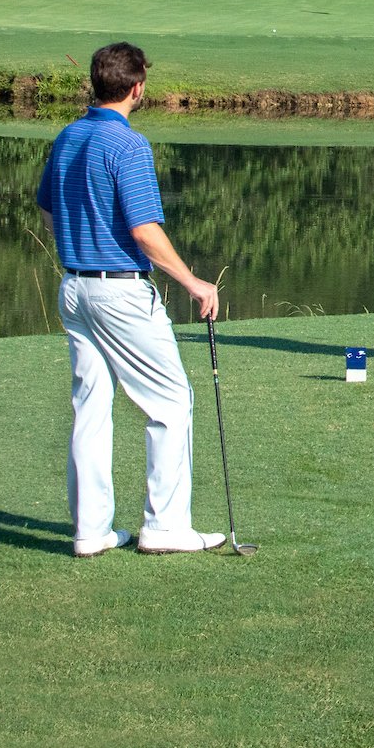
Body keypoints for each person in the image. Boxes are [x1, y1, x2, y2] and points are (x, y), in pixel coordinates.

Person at [37, 42, 227, 557]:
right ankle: (165, 527)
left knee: (91, 407)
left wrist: (79, 243)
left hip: (74, 288)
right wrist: (193, 283)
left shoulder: (68, 136)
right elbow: (144, 231)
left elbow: (49, 211)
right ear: (138, 87)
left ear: (96, 82)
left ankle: (91, 530)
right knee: (171, 401)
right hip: (118, 290)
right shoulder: (129, 144)